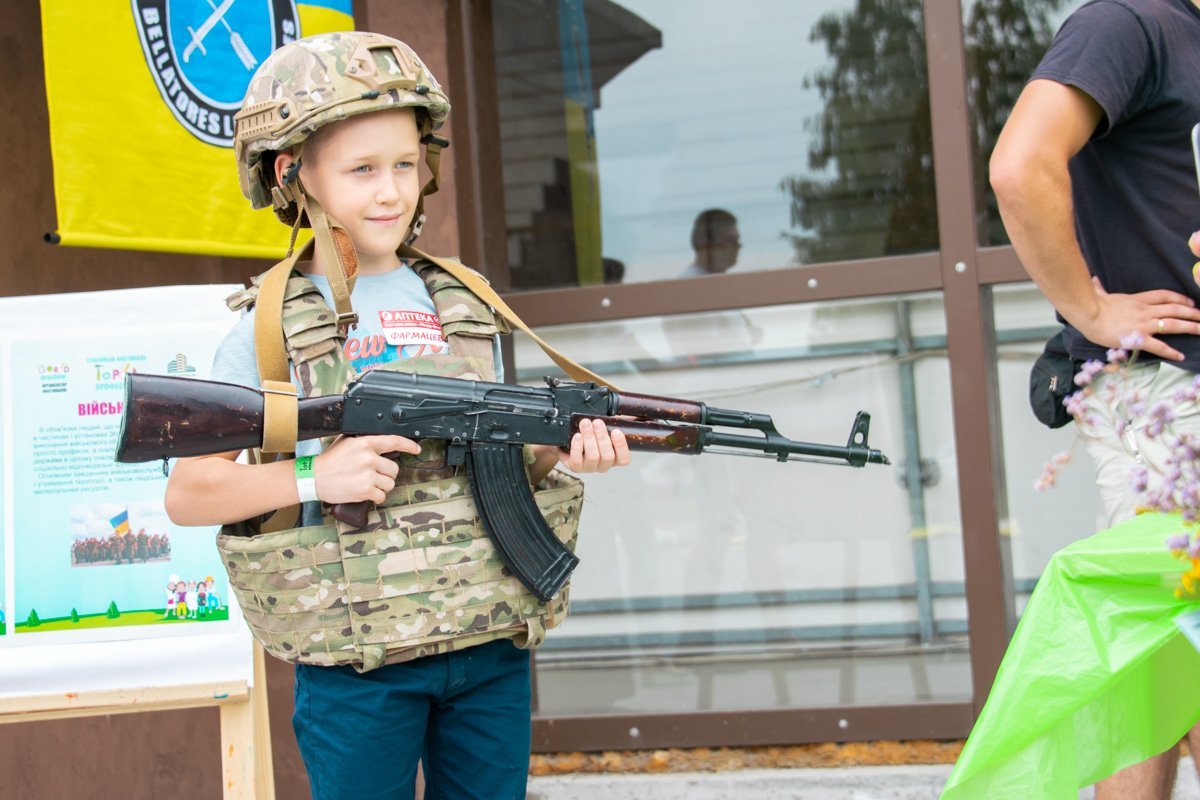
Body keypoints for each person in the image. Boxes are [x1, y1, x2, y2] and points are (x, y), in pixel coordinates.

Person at [163, 31, 630, 800]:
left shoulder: (466, 302)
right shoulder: (272, 326)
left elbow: (495, 459)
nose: (390, 192)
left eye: (405, 165)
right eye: (362, 170)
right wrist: (316, 470)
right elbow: (189, 493)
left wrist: (560, 453)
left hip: (488, 646)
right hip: (360, 665)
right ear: (293, 175)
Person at [990, 2, 1200, 797]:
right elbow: (1019, 167)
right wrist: (1089, 309)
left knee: (1156, 660)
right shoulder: (1129, 22)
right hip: (1171, 398)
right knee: (1178, 644)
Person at [681, 208, 740, 277]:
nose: (738, 246)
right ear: (705, 245)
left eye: (737, 240)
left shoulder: (715, 280)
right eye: (730, 241)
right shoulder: (693, 283)